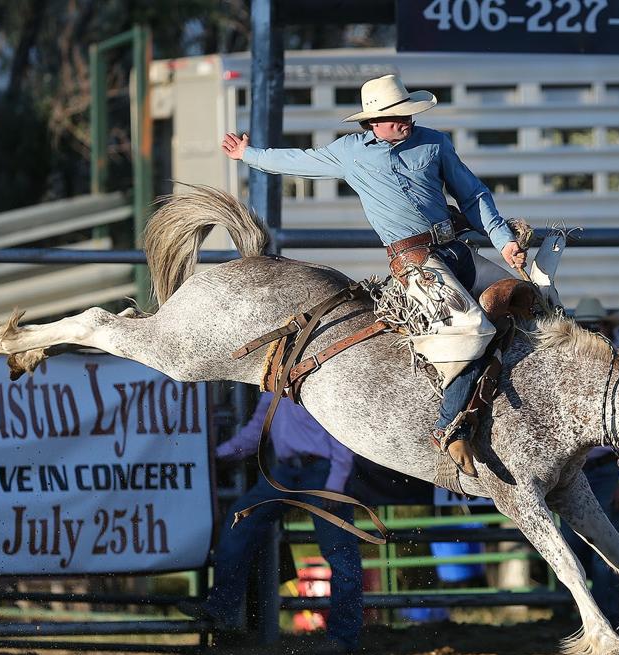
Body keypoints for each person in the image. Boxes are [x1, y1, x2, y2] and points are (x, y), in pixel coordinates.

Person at [221, 74, 528, 477]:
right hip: (415, 260)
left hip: (455, 250)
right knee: (470, 328)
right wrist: (249, 155)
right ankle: (449, 426)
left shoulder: (434, 142)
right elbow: (298, 161)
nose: (406, 121)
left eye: (407, 114)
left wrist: (503, 239)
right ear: (373, 123)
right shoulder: (350, 153)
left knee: (525, 299)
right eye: (397, 116)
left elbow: (472, 194)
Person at [178, 392, 363, 655]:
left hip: (319, 470)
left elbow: (340, 433)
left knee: (339, 553)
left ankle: (343, 637)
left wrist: (336, 482)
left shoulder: (303, 386)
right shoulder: (273, 390)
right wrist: (218, 455)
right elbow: (255, 434)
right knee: (241, 521)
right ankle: (222, 606)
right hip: (292, 471)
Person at [562, 297, 619, 625]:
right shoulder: (574, 369)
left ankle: (608, 618)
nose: (591, 333)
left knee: (605, 553)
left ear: (606, 329)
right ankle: (596, 617)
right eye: (585, 327)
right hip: (578, 471)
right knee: (579, 549)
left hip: (604, 470)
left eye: (595, 327)